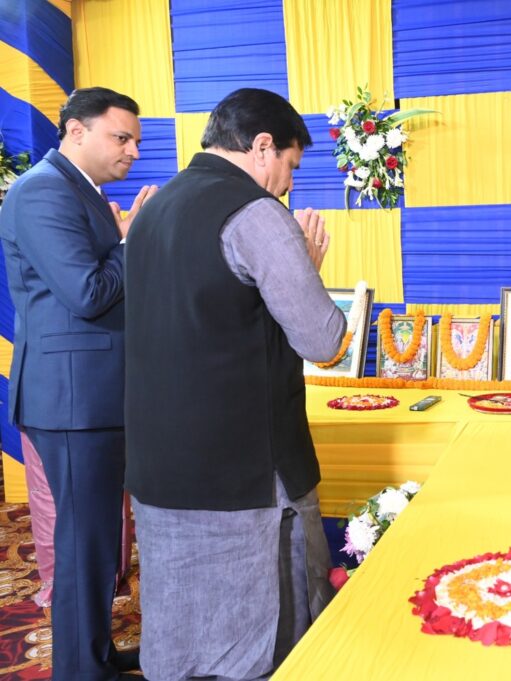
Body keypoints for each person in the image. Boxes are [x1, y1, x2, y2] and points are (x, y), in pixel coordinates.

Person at [124, 88, 347, 681]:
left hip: (160, 464)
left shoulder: (154, 210)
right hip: (244, 476)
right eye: (289, 167)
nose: (287, 186)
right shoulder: (256, 213)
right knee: (260, 640)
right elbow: (322, 339)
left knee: (181, 628)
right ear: (262, 146)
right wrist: (306, 270)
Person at [0, 86, 156, 680]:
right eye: (122, 137)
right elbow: (88, 293)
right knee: (83, 544)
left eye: (135, 140)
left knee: (96, 542)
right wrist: (131, 239)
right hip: (71, 399)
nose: (133, 151)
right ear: (75, 131)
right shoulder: (42, 190)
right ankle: (80, 670)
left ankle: (94, 655)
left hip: (92, 394)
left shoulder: (79, 189)